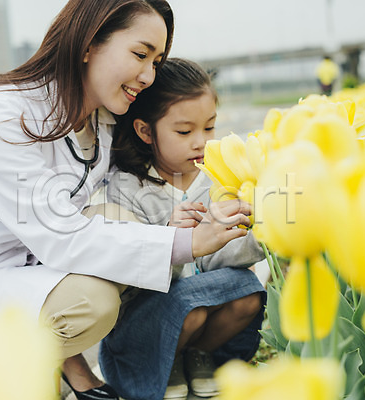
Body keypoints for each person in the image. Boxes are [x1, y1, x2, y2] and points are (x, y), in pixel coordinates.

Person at [0, 2, 253, 400]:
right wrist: (187, 242)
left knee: (122, 220)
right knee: (93, 303)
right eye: (140, 54)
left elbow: (141, 189)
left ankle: (62, 363)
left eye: (156, 62)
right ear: (89, 43)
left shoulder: (101, 121)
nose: (148, 75)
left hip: (35, 268)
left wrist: (214, 212)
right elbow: (61, 235)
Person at [99, 58, 266, 400]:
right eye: (184, 132)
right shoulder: (126, 189)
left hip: (199, 313)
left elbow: (216, 263)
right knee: (193, 308)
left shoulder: (219, 178)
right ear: (146, 131)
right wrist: (171, 242)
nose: (201, 142)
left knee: (248, 293)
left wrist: (261, 230)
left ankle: (198, 356)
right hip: (145, 325)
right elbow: (128, 284)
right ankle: (167, 362)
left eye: (210, 127)